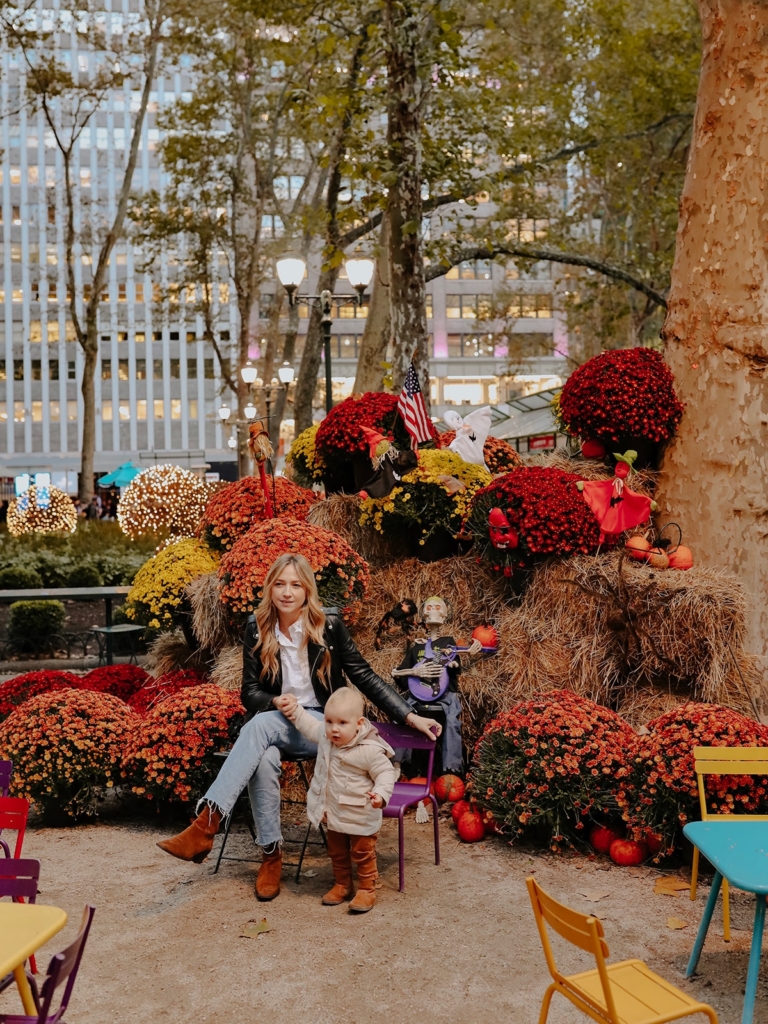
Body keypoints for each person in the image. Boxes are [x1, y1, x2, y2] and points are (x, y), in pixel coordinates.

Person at [157, 553, 441, 901]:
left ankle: (206, 825)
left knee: (259, 727)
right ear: (270, 588)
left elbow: (364, 675)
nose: (287, 592)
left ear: (307, 590)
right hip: (280, 722)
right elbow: (250, 692)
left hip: (324, 728)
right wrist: (275, 701)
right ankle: (271, 856)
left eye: (295, 584)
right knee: (263, 758)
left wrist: (410, 716)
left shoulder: (329, 626)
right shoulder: (257, 627)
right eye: (279, 584)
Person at [286, 687, 396, 913]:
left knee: (362, 853)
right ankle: (342, 883)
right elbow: (309, 725)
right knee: (336, 851)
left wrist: (381, 794)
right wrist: (295, 709)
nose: (334, 728)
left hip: (361, 813)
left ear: (358, 723)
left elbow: (386, 772)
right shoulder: (326, 738)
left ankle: (367, 888)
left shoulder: (369, 749)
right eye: (329, 721)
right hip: (334, 811)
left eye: (342, 723)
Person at [391, 595, 480, 777]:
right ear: (423, 614)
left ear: (445, 615)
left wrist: (457, 659)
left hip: (444, 693)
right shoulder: (417, 647)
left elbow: (453, 661)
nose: (432, 611)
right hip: (417, 693)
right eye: (429, 607)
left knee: (453, 718)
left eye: (437, 607)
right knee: (400, 713)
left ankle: (451, 770)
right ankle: (396, 764)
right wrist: (414, 672)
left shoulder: (448, 642)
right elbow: (396, 673)